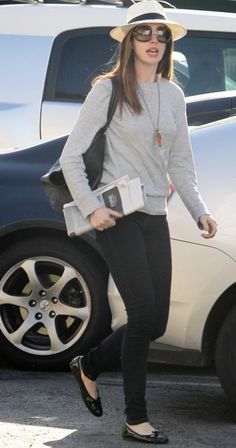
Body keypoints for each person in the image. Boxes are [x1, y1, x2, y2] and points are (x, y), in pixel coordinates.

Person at [60, 0, 217, 444]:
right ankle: (135, 418)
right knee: (143, 313)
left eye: (161, 35)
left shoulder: (173, 95)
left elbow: (181, 164)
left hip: (155, 215)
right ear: (129, 40)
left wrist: (200, 209)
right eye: (145, 33)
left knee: (157, 322)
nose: (154, 41)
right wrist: (92, 207)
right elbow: (71, 158)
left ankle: (88, 365)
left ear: (168, 44)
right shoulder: (106, 91)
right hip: (117, 217)